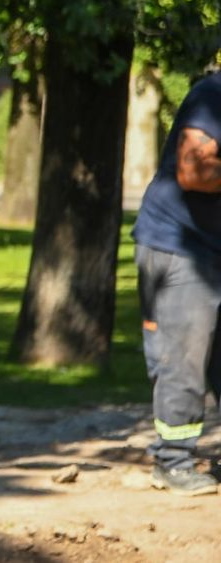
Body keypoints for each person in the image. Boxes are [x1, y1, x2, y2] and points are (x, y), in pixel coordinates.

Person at [131, 67, 221, 497]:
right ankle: (173, 460)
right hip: (178, 247)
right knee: (182, 356)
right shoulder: (213, 95)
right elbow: (193, 171)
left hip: (213, 248)